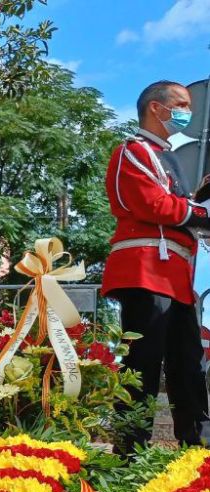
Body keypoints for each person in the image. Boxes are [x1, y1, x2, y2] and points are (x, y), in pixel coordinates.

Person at [102, 79, 210, 451]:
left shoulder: (168, 157)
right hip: (145, 269)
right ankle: (129, 449)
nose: (187, 112)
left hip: (174, 274)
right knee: (143, 362)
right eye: (180, 104)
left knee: (188, 362)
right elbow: (152, 205)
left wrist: (196, 204)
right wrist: (199, 212)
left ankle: (195, 445)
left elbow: (175, 209)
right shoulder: (134, 150)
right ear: (155, 107)